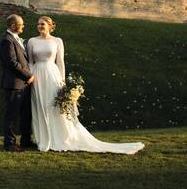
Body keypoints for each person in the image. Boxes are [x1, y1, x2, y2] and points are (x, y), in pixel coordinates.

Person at [26, 16, 144, 154]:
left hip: (53, 75)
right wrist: (30, 76)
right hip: (37, 76)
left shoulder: (57, 41)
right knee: (40, 106)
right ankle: (44, 138)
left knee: (54, 107)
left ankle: (60, 137)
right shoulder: (32, 41)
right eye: (38, 24)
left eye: (43, 24)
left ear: (50, 26)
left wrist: (63, 83)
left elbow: (60, 63)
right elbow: (30, 62)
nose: (40, 26)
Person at [0, 14, 36, 152]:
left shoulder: (16, 39)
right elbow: (12, 63)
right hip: (14, 84)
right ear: (13, 25)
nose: (23, 26)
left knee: (26, 114)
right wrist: (28, 75)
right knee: (12, 115)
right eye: (22, 24)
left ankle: (26, 140)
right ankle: (10, 143)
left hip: (23, 84)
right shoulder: (6, 41)